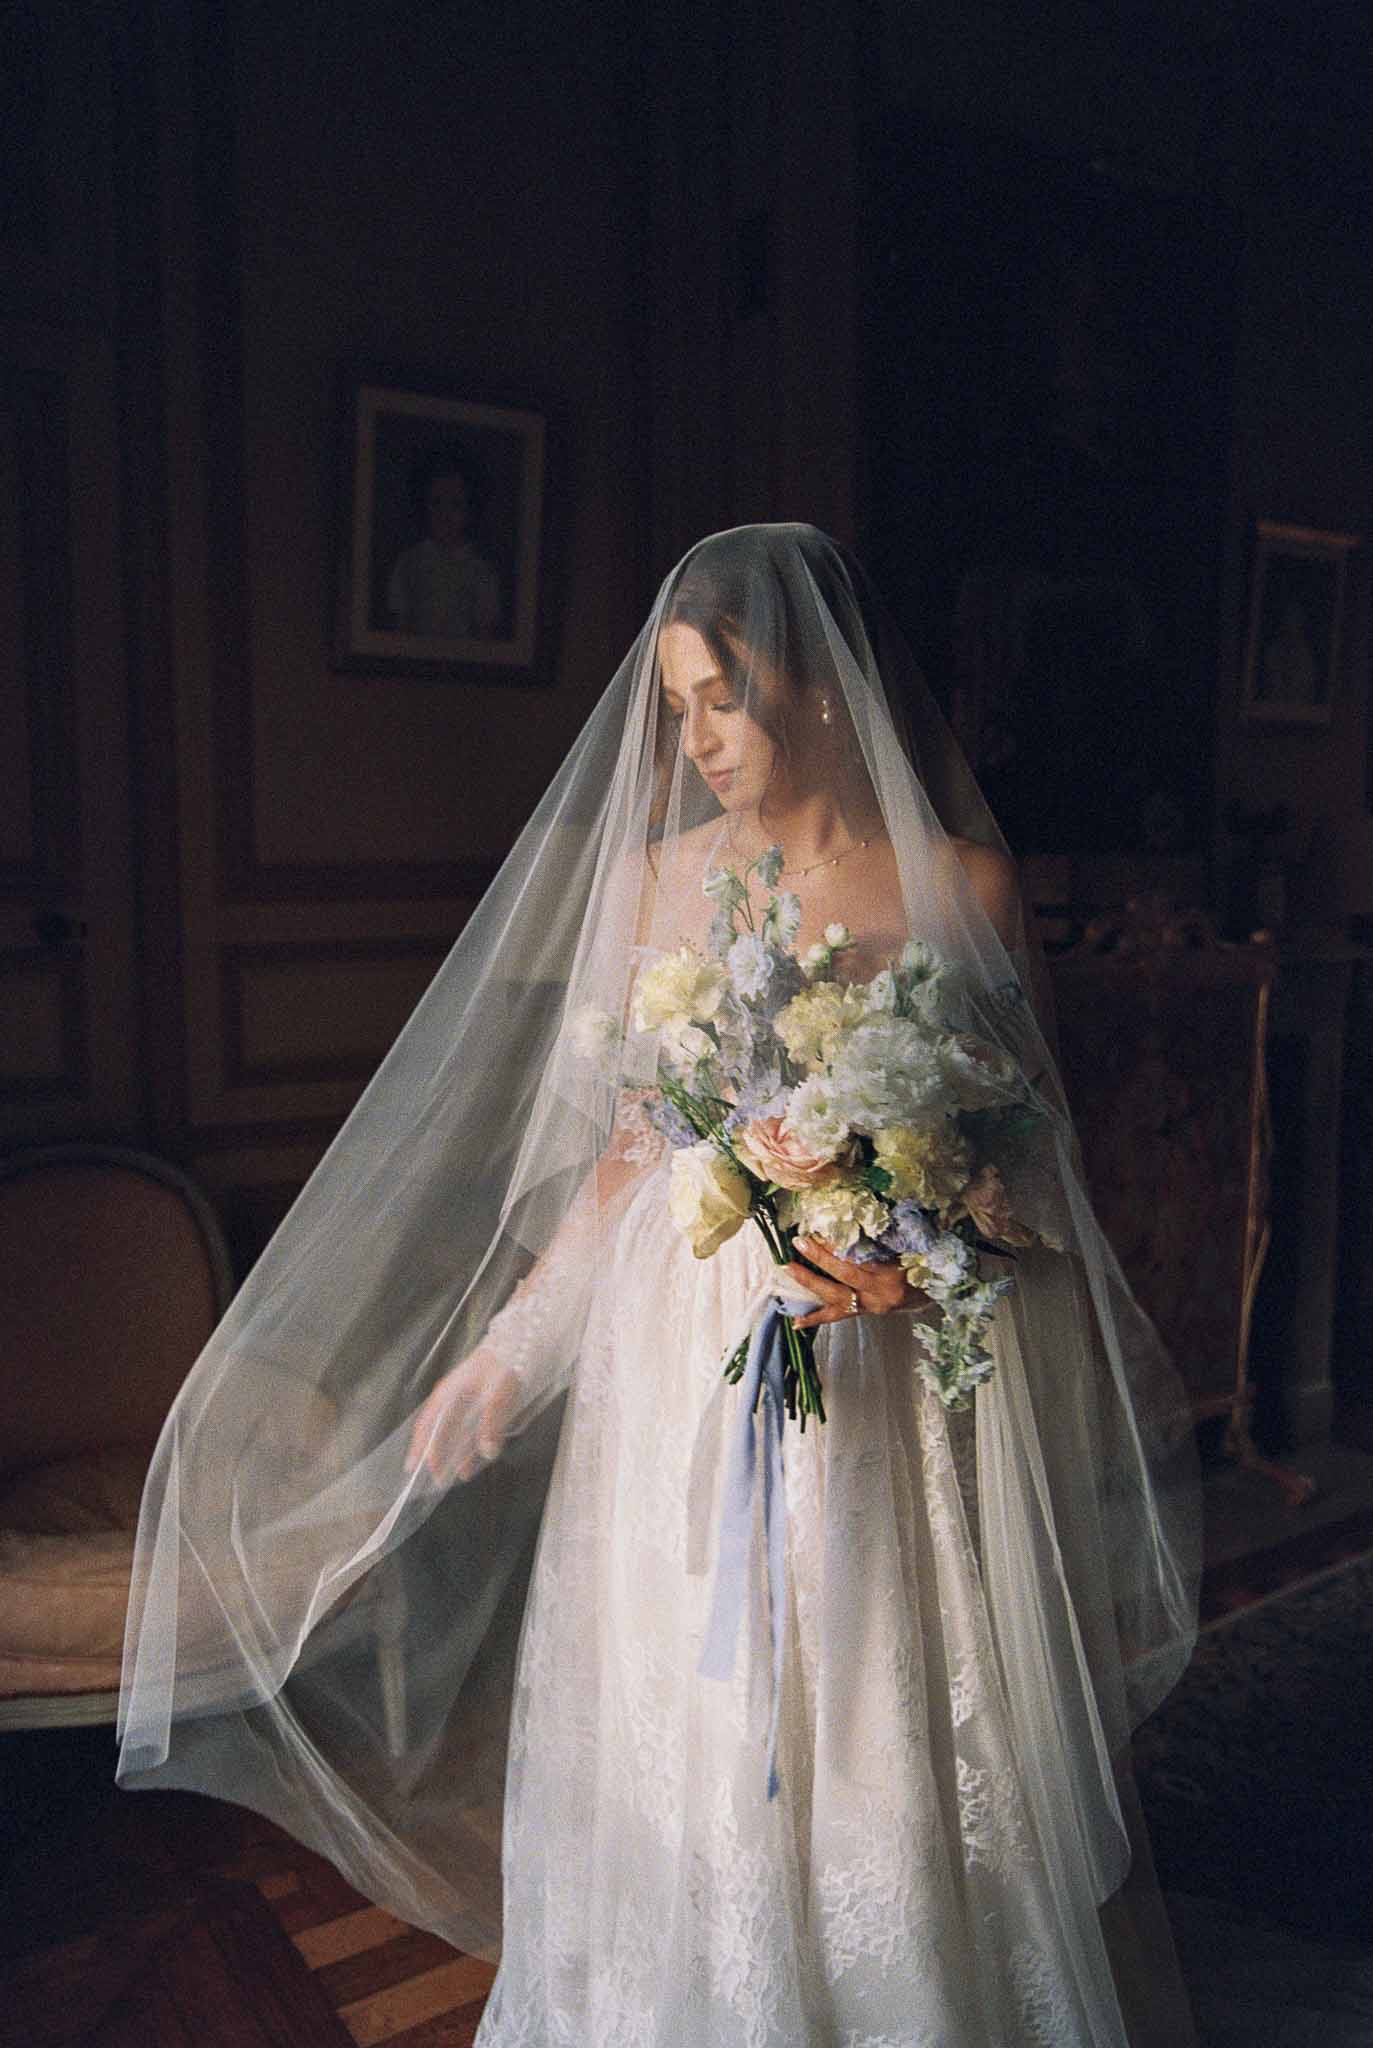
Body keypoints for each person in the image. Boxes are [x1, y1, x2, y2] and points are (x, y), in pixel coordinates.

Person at [119, 526, 1201, 2045]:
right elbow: (627, 1159)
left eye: (722, 699)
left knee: (862, 1697)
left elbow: (1018, 1166)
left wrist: (921, 1253)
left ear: (816, 692)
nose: (694, 740)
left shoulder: (960, 884)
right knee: (686, 1691)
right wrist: (506, 1354)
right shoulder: (651, 886)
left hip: (865, 1355)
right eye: (677, 705)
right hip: (676, 1351)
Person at [386, 446, 502, 638]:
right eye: (436, 503)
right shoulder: (409, 562)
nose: (444, 514)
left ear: (470, 510)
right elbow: (399, 624)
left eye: (456, 504)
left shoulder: (481, 571)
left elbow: (485, 633)